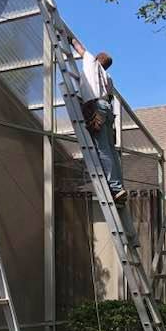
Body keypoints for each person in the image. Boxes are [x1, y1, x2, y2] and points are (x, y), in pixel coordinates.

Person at [70, 35, 128, 205]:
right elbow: (109, 96)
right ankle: (119, 186)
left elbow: (80, 49)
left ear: (97, 59)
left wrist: (70, 39)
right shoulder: (108, 77)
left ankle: (115, 188)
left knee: (102, 149)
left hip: (97, 107)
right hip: (107, 110)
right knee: (110, 149)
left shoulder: (91, 62)